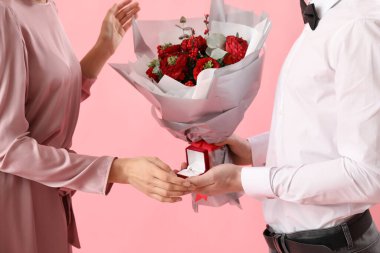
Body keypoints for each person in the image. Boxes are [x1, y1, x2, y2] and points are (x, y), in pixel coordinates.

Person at [189, 0, 380, 252]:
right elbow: (324, 123)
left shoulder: (357, 25)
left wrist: (243, 179)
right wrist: (251, 150)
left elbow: (368, 176)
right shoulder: (325, 19)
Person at [0, 0, 191, 253]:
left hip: (49, 192)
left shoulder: (46, 5)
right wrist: (119, 169)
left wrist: (104, 46)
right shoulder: (5, 12)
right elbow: (8, 147)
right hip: (16, 202)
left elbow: (46, 102)